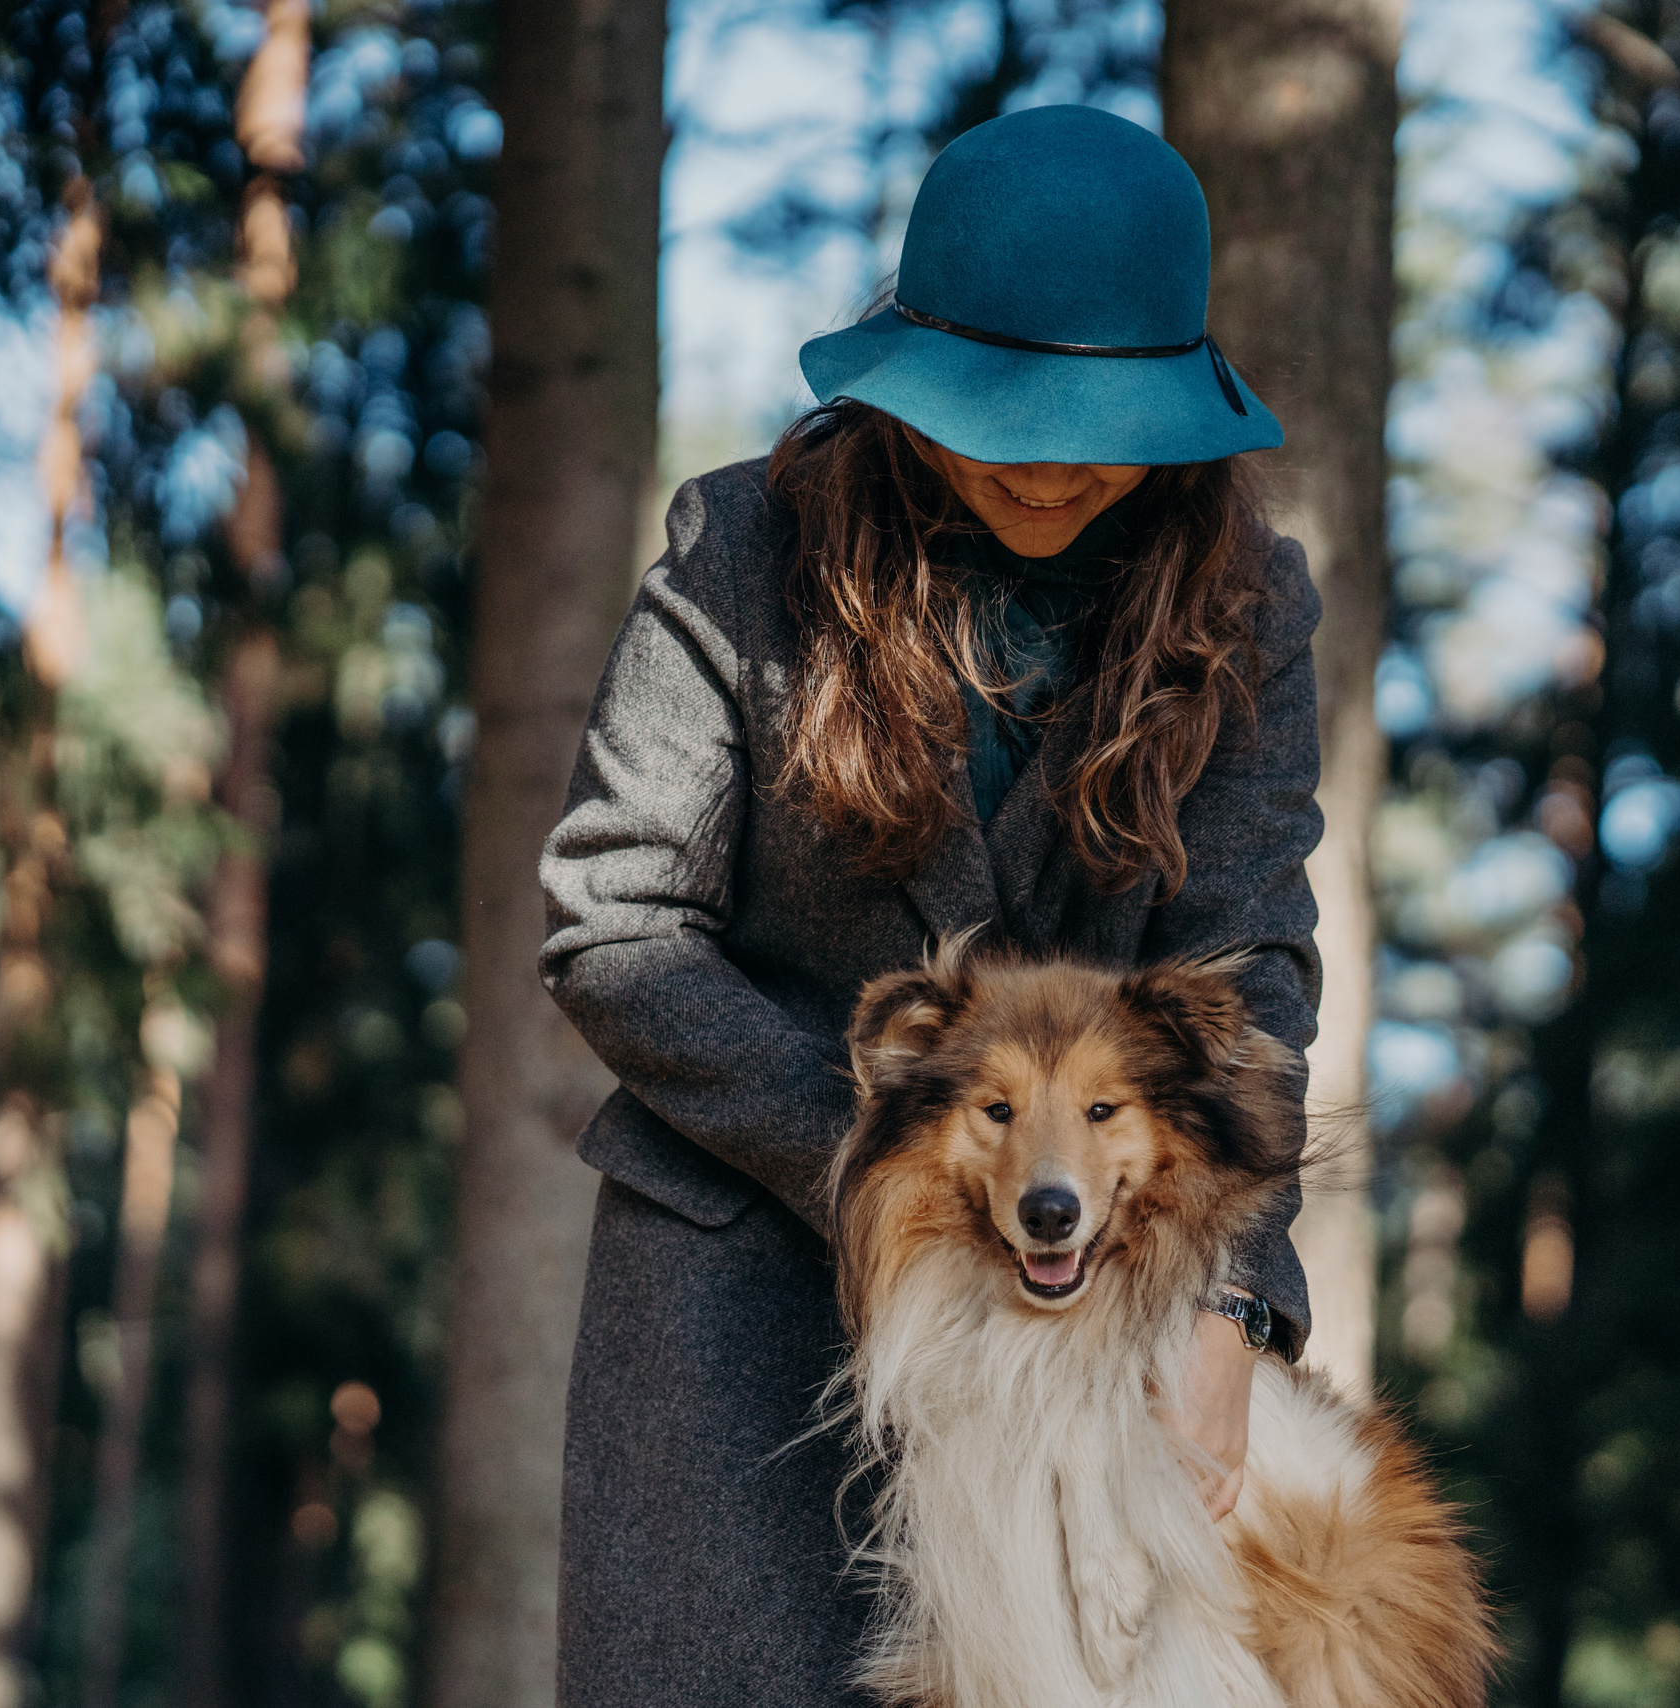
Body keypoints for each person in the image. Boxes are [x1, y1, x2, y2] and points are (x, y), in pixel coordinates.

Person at [539, 103, 1325, 1706]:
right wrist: (880, 1146)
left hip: (1091, 1322)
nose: (1047, 462)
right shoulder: (740, 550)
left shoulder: (1254, 606)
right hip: (736, 1297)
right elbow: (611, 918)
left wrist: (1233, 1305)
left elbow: (1249, 976)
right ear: (905, 381)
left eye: (1096, 416)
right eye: (1001, 411)